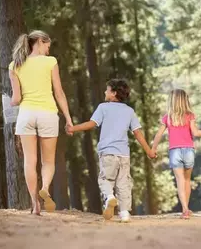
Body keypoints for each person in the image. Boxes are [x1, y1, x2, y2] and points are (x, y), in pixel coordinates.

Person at [66, 79, 155, 223]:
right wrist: (149, 151)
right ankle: (125, 212)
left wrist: (72, 128)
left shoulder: (103, 107)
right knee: (123, 183)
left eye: (107, 90)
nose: (104, 92)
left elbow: (91, 124)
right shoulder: (129, 111)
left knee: (105, 179)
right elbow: (137, 133)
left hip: (108, 152)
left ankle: (109, 197)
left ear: (113, 94)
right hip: (124, 154)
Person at [9, 30, 73, 215]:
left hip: (26, 114)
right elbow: (59, 92)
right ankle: (44, 187)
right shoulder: (50, 62)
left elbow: (16, 98)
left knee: (30, 161)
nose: (47, 49)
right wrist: (68, 118)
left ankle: (34, 203)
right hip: (47, 114)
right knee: (48, 161)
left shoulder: (15, 65)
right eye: (47, 45)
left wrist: (10, 102)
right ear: (39, 41)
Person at [151, 89, 201, 219]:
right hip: (188, 151)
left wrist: (153, 149)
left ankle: (184, 209)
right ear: (185, 101)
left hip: (174, 152)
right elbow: (196, 133)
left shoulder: (167, 117)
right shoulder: (189, 115)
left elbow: (158, 134)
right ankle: (187, 208)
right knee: (187, 180)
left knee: (180, 180)